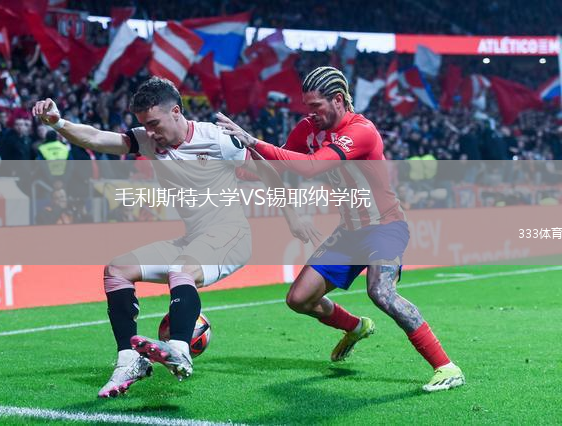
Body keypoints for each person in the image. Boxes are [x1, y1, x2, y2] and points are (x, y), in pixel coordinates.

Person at [32, 77, 312, 398]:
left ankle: (179, 349)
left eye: (154, 124)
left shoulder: (217, 139)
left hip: (231, 236)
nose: (149, 133)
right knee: (117, 269)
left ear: (176, 112)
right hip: (192, 240)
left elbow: (266, 170)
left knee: (181, 268)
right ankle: (129, 360)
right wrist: (59, 123)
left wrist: (293, 214)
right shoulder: (148, 140)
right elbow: (96, 137)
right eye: (144, 125)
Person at [217, 66, 465, 393]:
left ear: (337, 100)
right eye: (307, 107)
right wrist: (229, 168)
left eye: (316, 106)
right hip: (349, 231)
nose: (310, 114)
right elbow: (279, 167)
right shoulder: (309, 128)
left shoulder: (361, 131)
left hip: (385, 226)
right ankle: (356, 326)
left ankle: (446, 367)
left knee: (381, 292)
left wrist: (253, 140)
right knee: (299, 299)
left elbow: (312, 166)